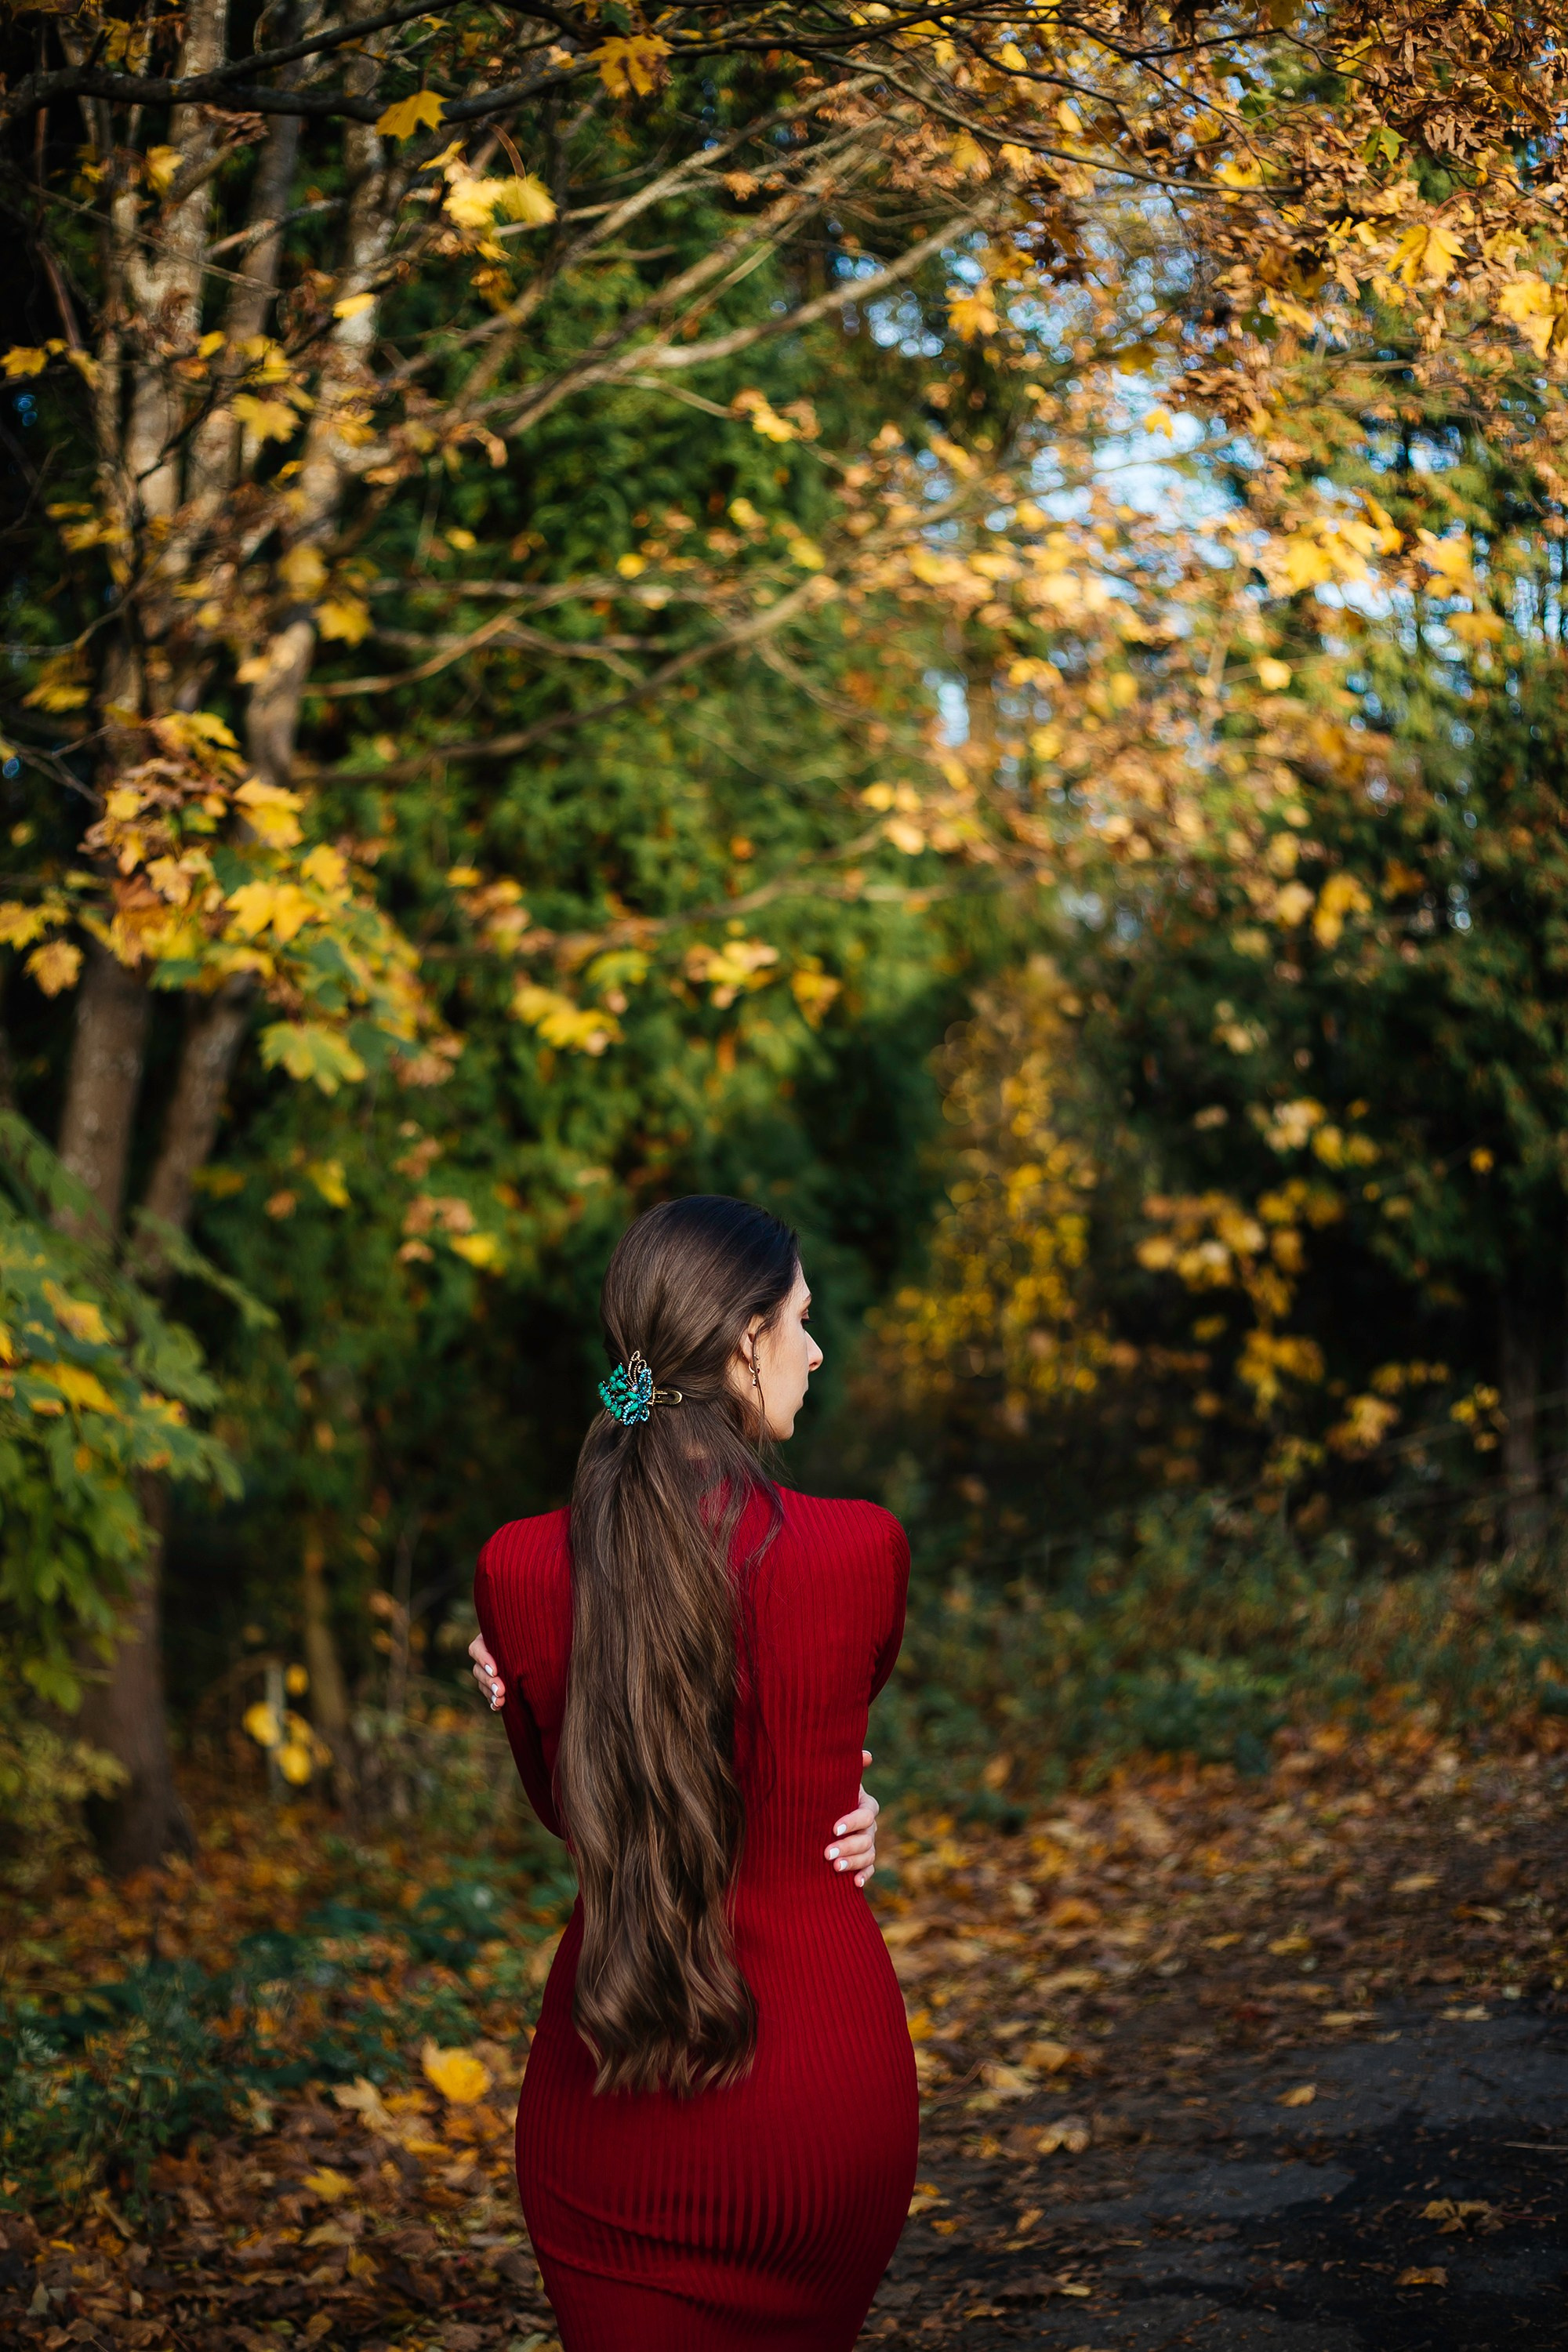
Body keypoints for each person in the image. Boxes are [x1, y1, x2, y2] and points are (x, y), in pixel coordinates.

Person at [466, 1195, 916, 2350]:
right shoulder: (865, 1549)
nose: (817, 1349)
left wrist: (522, 1660)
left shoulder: (518, 1570)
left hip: (614, 2102)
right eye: (802, 1319)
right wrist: (850, 1806)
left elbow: (574, 1817)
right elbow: (814, 1750)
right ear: (739, 1342)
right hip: (826, 2103)